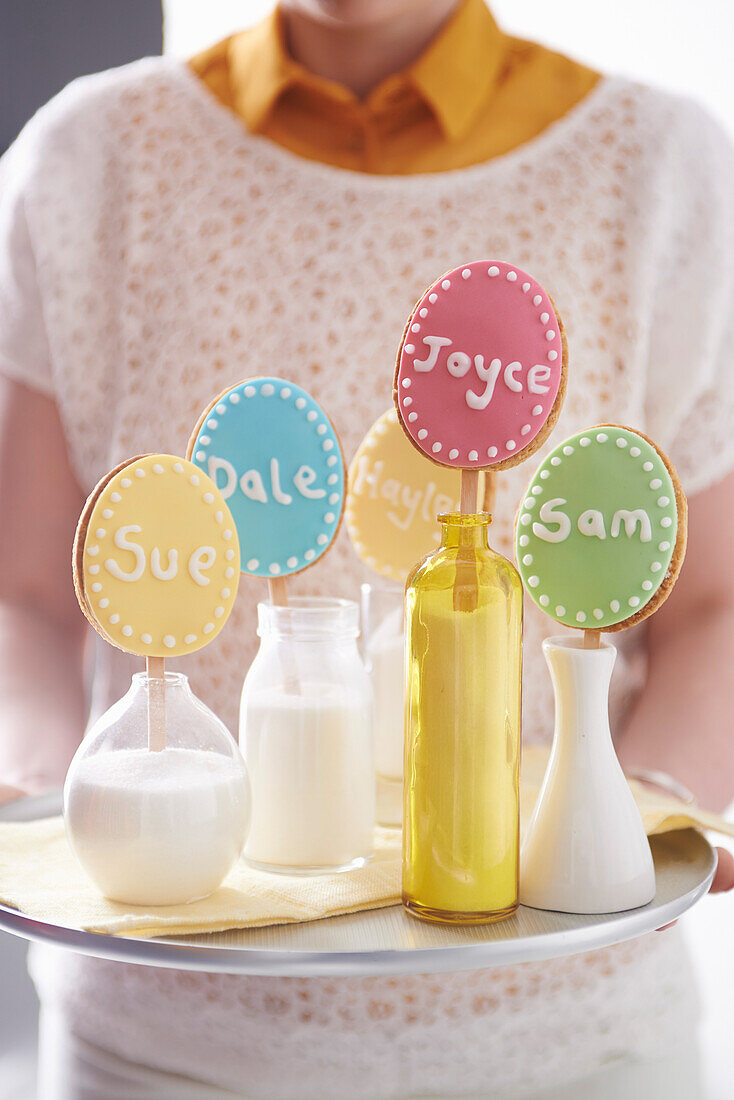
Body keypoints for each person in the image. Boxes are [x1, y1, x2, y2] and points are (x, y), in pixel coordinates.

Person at [1, 1, 733, 1096]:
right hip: (158, 1051)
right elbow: (31, 594)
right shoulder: (90, 157)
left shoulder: (663, 167)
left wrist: (645, 818)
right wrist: (39, 796)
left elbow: (710, 604)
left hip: (576, 1046)